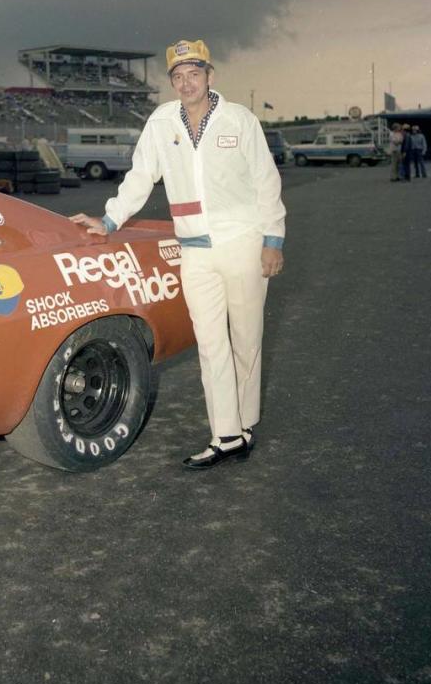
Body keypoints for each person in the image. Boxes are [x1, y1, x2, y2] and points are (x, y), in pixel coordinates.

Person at [71, 40, 286, 469]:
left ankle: (245, 423)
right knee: (210, 344)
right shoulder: (161, 121)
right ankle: (226, 434)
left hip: (243, 243)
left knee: (246, 339)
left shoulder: (239, 119)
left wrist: (273, 240)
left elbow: (266, 180)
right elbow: (140, 176)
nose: (187, 83)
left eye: (194, 73)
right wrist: (110, 220)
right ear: (172, 82)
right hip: (195, 251)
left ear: (210, 75)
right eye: (178, 76)